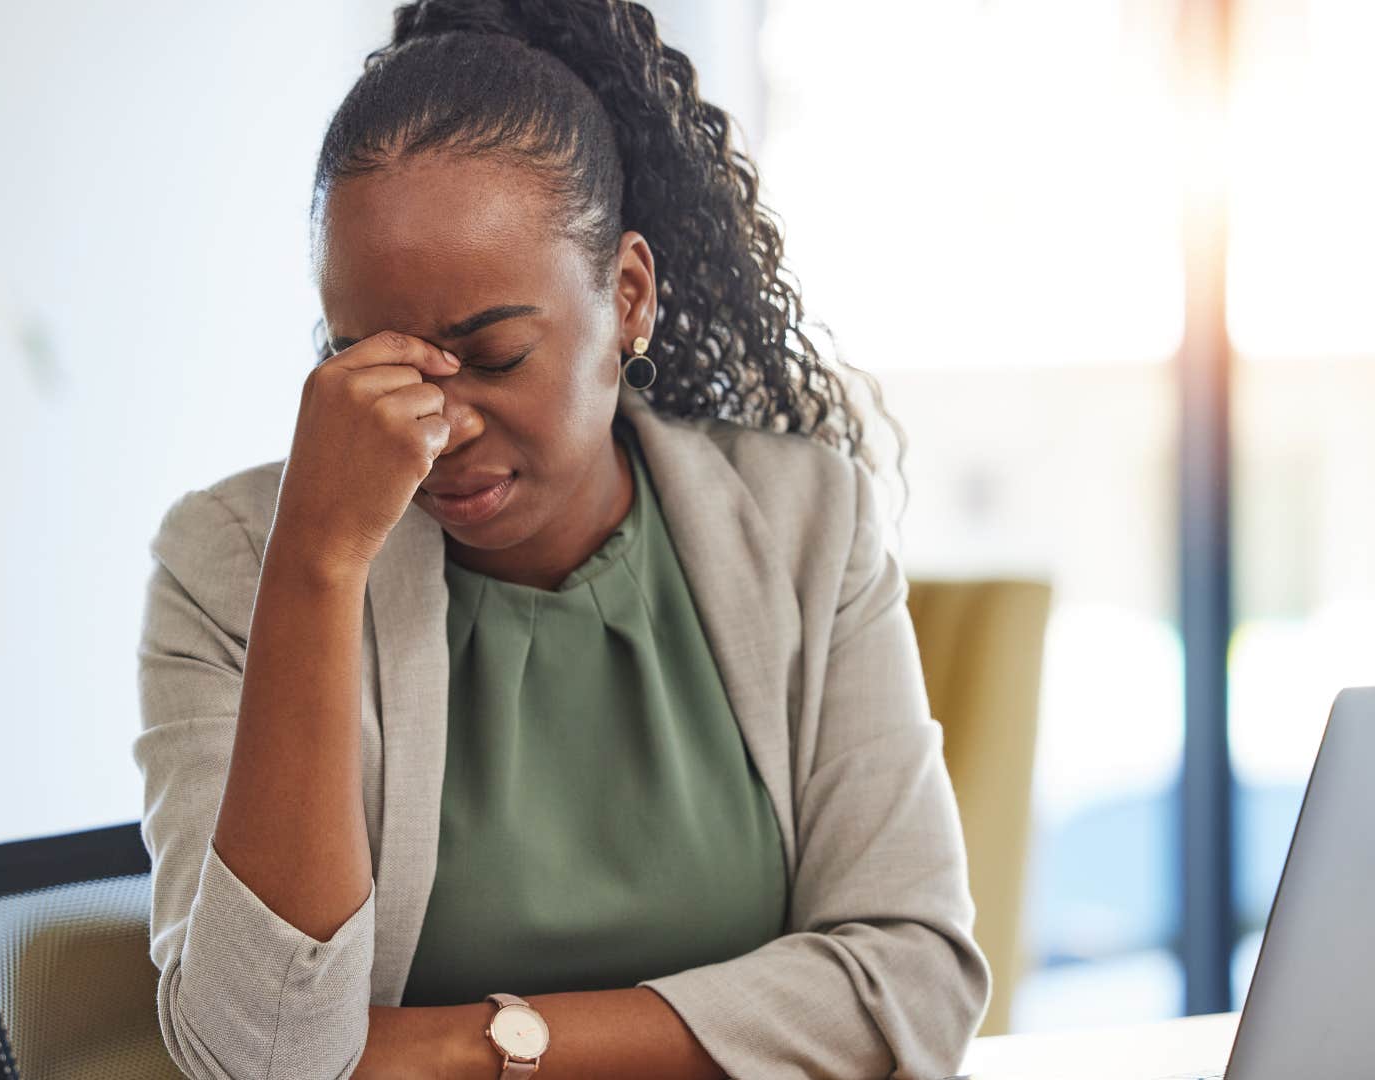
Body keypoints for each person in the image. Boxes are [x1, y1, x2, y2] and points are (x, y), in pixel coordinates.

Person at [133, 1, 990, 1077]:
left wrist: (477, 1048)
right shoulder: (230, 566)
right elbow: (261, 1060)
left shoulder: (805, 525)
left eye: (492, 355)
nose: (437, 426)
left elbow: (913, 984)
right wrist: (316, 563)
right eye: (370, 362)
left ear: (627, 298)